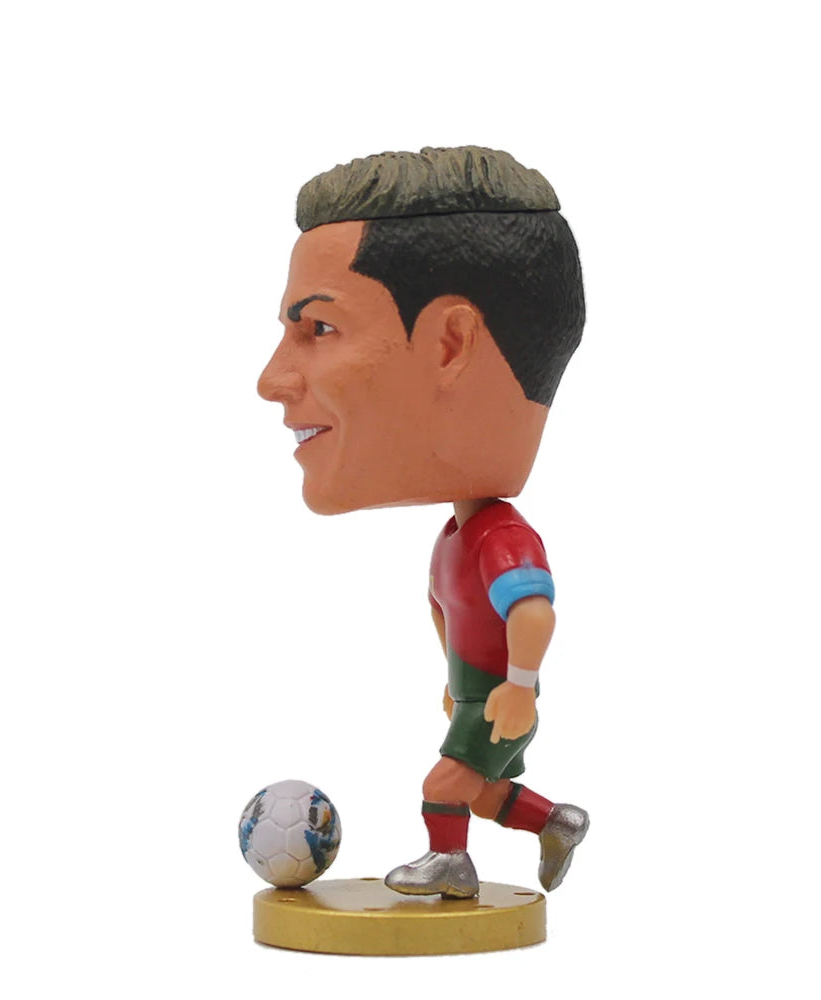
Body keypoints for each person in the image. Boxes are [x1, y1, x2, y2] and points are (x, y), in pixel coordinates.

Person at [258, 146, 589, 898]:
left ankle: (451, 864)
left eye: (319, 328)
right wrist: (461, 682)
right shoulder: (458, 537)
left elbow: (534, 611)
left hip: (501, 698)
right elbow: (450, 613)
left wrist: (521, 687)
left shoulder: (501, 539)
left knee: (446, 783)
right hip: (479, 695)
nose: (270, 380)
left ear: (450, 343)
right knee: (484, 790)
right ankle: (557, 822)